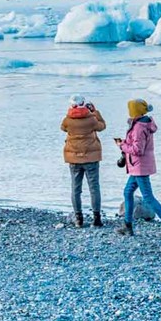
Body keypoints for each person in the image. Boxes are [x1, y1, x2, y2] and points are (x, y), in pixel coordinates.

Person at [114, 99, 161, 238]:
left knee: (148, 197)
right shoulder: (142, 123)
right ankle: (127, 225)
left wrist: (121, 146)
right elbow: (136, 145)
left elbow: (138, 149)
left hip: (140, 167)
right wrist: (124, 143)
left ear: (134, 111)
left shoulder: (139, 128)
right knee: (127, 192)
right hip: (137, 166)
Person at [61, 94, 107, 228]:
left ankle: (78, 219)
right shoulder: (92, 119)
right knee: (94, 188)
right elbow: (102, 126)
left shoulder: (67, 120)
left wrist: (71, 112)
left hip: (74, 158)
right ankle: (97, 219)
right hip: (91, 158)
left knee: (76, 189)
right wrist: (95, 111)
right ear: (84, 104)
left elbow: (63, 128)